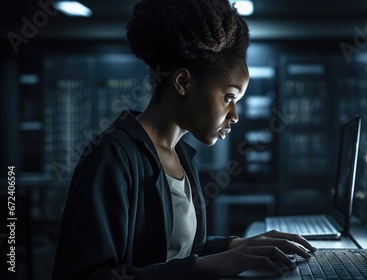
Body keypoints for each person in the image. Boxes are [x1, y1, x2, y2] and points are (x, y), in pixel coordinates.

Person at [51, 0, 316, 279]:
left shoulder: (181, 155)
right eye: (229, 97)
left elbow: (175, 251)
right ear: (182, 83)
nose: (235, 115)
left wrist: (239, 245)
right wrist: (206, 266)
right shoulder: (112, 156)